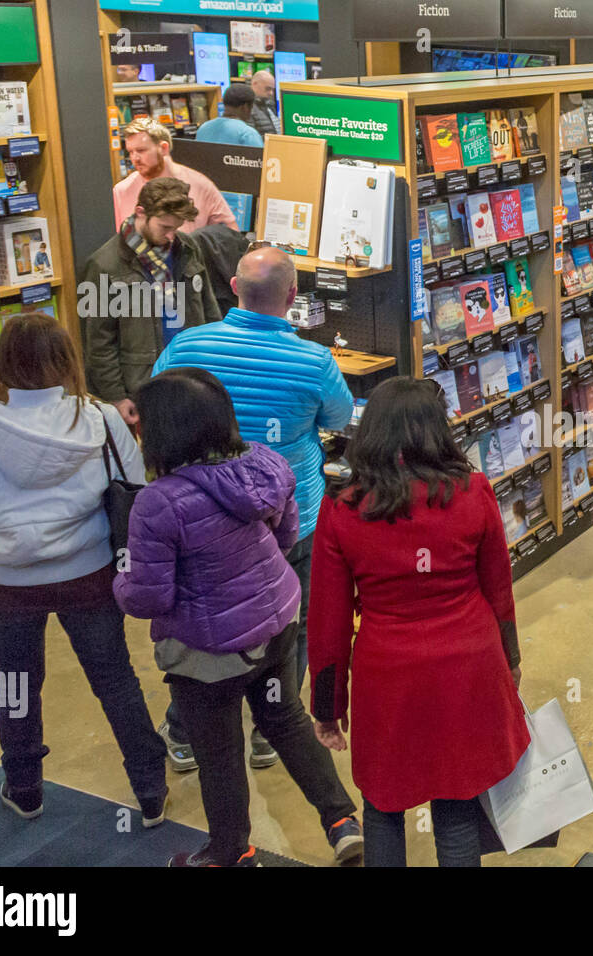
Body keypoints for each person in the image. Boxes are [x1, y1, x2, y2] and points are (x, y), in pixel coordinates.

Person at [113, 368, 362, 867]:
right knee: (286, 718)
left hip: (208, 653)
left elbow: (149, 597)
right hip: (276, 622)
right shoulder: (264, 464)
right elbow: (288, 536)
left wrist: (117, 579)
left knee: (219, 754)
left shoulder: (158, 502)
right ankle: (342, 821)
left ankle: (231, 852)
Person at [0, 314, 167, 825]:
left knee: (17, 685)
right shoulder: (101, 418)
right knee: (115, 680)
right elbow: (136, 495)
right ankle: (150, 789)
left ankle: (24, 788)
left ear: (1, 363)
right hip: (89, 572)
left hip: (6, 583)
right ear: (67, 359)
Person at [308, 377, 529, 867]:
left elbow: (328, 619)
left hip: (387, 675)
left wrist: (328, 704)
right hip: (468, 665)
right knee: (457, 805)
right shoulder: (474, 491)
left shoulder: (343, 508)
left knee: (383, 805)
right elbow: (500, 591)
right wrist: (510, 661)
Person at [151, 246, 351, 768]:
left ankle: (185, 733)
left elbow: (155, 403)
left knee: (198, 625)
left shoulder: (188, 345)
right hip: (289, 515)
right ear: (292, 297)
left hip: (198, 520)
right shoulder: (314, 360)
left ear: (235, 289)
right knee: (292, 622)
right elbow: (339, 415)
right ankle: (272, 730)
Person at [82, 177, 220, 426]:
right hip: (144, 387)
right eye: (164, 227)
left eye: (176, 228)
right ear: (140, 213)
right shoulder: (104, 265)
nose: (170, 236)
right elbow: (99, 342)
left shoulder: (188, 248)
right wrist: (116, 397)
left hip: (192, 377)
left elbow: (209, 310)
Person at [112, 117, 237, 232]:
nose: (135, 158)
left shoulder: (200, 185)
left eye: (141, 150)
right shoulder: (122, 191)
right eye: (130, 152)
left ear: (164, 148)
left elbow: (229, 236)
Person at [195, 83, 264, 147]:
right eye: (251, 107)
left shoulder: (203, 128)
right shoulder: (247, 134)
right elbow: (260, 159)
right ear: (245, 107)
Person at [249, 70, 282, 137]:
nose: (271, 93)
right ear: (254, 84)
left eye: (272, 90)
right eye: (267, 89)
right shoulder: (247, 107)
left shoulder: (270, 104)